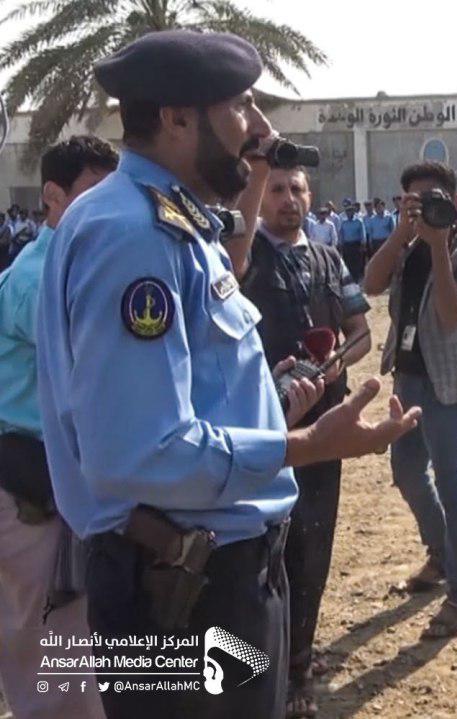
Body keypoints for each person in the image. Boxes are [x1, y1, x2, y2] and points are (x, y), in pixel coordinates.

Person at [36, 31, 420, 719]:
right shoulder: (134, 236)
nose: (261, 128)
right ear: (177, 118)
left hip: (203, 573)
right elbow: (141, 451)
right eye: (241, 105)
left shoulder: (168, 221)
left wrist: (265, 403)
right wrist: (306, 445)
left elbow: (183, 389)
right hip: (181, 591)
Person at [229, 163, 373, 719]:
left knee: (314, 542)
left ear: (311, 197)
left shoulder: (329, 258)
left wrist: (336, 360)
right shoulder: (243, 259)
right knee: (263, 546)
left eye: (297, 189)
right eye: (277, 189)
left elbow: (361, 334)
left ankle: (299, 665)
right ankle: (261, 661)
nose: (288, 199)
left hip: (325, 422)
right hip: (263, 419)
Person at [0, 135, 117, 719]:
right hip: (30, 483)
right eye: (93, 192)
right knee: (49, 644)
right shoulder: (38, 279)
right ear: (51, 195)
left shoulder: (76, 264)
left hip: (57, 476)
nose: (107, 207)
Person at [364, 160, 457, 639]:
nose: (425, 209)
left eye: (433, 200)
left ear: (455, 200)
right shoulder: (408, 241)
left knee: (453, 482)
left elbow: (451, 315)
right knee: (405, 472)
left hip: (447, 383)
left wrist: (438, 245)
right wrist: (404, 234)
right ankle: (439, 555)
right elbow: (370, 284)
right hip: (408, 376)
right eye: (415, 202)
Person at [338, 203, 368, 281]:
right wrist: (340, 244)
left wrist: (363, 244)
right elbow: (341, 234)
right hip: (347, 245)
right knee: (348, 262)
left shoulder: (359, 221)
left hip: (356, 244)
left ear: (353, 212)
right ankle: (350, 278)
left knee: (356, 263)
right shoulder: (344, 222)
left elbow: (363, 234)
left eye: (350, 211)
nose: (349, 213)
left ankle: (356, 278)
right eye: (347, 211)